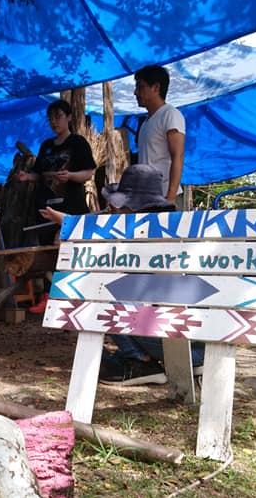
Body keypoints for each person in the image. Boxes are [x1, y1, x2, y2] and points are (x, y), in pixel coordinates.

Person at [40, 164, 205, 386]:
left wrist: (69, 223)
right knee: (112, 288)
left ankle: (138, 361)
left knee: (97, 289)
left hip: (178, 342)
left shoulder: (139, 237)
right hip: (198, 342)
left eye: (119, 205)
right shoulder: (167, 231)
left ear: (136, 207)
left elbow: (98, 252)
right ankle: (139, 359)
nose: (112, 208)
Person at [14, 99, 97, 313]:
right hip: (45, 209)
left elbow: (88, 172)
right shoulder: (46, 146)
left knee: (70, 251)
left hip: (70, 208)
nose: (54, 122)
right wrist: (27, 177)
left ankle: (74, 298)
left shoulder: (78, 143)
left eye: (58, 117)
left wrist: (70, 175)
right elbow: (40, 175)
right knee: (49, 253)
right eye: (50, 118)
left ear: (69, 117)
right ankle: (49, 297)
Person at [133, 65, 186, 207]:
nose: (135, 93)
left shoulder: (170, 114)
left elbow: (178, 156)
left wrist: (171, 197)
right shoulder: (145, 123)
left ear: (156, 88)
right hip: (146, 200)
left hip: (165, 197)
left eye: (141, 87)